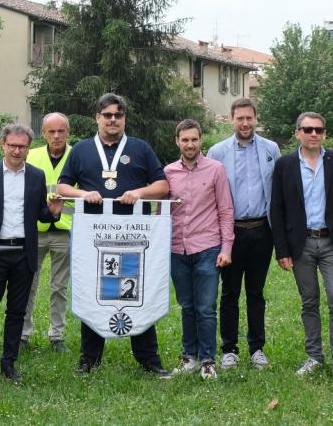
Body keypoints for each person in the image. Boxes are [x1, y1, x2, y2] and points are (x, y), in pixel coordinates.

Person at [56, 93, 172, 378]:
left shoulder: (140, 148)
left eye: (117, 115)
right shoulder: (82, 150)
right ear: (98, 118)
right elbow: (62, 188)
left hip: (133, 239)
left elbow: (162, 186)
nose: (112, 120)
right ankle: (89, 359)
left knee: (136, 294)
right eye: (107, 115)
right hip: (94, 242)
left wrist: (139, 193)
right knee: (93, 294)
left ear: (124, 119)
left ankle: (149, 359)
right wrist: (85, 193)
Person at [0, 124, 63, 387]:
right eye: (12, 145)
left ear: (28, 148)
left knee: (17, 313)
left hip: (23, 252)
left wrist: (53, 212)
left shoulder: (36, 176)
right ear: (3, 145)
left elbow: (39, 214)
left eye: (22, 146)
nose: (17, 150)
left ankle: (9, 363)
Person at [270, 112, 333, 386]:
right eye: (307, 129)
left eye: (318, 130)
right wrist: (282, 250)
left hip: (332, 243)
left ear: (325, 133)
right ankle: (314, 357)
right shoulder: (284, 164)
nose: (313, 134)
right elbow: (277, 208)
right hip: (301, 244)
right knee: (309, 302)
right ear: (297, 132)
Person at [206, 98, 280, 370]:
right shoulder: (217, 151)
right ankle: (229, 349)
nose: (245, 123)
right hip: (230, 232)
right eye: (240, 119)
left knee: (256, 292)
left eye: (249, 118)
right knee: (230, 292)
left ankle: (257, 348)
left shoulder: (271, 149)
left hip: (262, 230)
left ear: (255, 119)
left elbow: (277, 190)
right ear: (231, 119)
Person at [165, 120, 234, 379]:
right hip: (177, 249)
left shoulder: (216, 170)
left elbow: (226, 210)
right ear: (177, 141)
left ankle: (207, 360)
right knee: (186, 306)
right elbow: (161, 211)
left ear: (200, 140)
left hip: (207, 247)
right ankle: (189, 356)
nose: (190, 144)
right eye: (185, 140)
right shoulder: (168, 172)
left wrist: (226, 248)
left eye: (194, 139)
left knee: (206, 307)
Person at [22, 112, 73, 352]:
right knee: (27, 283)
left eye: (61, 131)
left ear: (68, 132)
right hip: (35, 230)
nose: (56, 136)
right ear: (43, 133)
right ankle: (22, 334)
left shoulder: (77, 156)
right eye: (51, 131)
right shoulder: (30, 156)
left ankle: (56, 335)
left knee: (60, 286)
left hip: (66, 230)